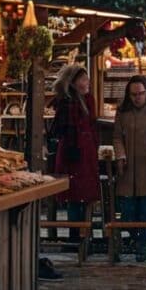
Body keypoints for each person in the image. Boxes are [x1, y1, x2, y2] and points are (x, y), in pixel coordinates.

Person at [112, 75, 146, 262]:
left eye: (141, 94)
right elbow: (117, 137)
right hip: (127, 170)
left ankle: (143, 245)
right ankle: (134, 239)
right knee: (127, 211)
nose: (137, 98)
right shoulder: (123, 112)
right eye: (134, 95)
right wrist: (120, 155)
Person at [50, 64, 101, 235]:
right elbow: (63, 129)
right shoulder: (67, 102)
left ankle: (84, 234)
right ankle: (76, 234)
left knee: (85, 194)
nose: (87, 83)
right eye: (83, 80)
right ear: (73, 82)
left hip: (86, 152)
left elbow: (91, 126)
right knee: (74, 195)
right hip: (73, 153)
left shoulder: (88, 100)